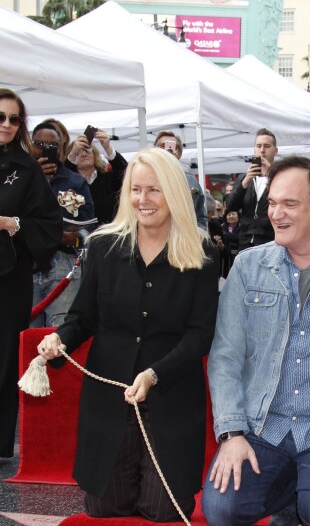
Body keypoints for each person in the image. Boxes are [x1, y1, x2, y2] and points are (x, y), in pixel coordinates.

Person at [38, 148, 219, 522]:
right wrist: (60, 340)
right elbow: (82, 318)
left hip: (170, 395)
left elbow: (200, 334)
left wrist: (155, 374)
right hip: (108, 398)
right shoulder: (103, 246)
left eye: (154, 190)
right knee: (106, 508)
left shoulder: (202, 253)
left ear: (174, 192)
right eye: (136, 190)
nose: (143, 200)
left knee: (163, 510)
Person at [202, 156, 310, 526]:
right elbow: (226, 357)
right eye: (272, 203)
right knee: (221, 509)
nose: (276, 214)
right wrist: (231, 433)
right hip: (264, 427)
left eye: (290, 204)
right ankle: (299, 488)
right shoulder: (248, 267)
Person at [0, 89, 62, 459]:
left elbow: (50, 224)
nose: (6, 124)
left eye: (13, 118)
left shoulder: (26, 169)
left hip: (9, 278)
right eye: (1, 116)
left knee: (5, 357)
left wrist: (13, 223)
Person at [30, 121, 96, 328]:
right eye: (40, 143)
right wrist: (35, 179)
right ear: (30, 145)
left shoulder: (75, 182)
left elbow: (90, 227)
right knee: (25, 335)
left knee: (59, 333)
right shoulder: (18, 177)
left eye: (53, 145)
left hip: (63, 263)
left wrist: (75, 238)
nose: (45, 149)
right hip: (26, 263)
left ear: (60, 149)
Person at [226, 128, 278, 250]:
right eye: (258, 146)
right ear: (254, 149)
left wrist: (271, 175)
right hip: (245, 240)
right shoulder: (244, 178)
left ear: (275, 151)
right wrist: (244, 183)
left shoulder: (279, 177)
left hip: (270, 240)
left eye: (267, 146)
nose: (262, 150)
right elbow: (230, 206)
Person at [66, 128, 128, 225]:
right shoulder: (69, 183)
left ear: (94, 153)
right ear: (72, 157)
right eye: (78, 152)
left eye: (87, 149)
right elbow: (60, 178)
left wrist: (108, 148)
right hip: (79, 238)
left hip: (110, 235)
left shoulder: (108, 178)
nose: (83, 154)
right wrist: (73, 153)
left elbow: (126, 173)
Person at [153, 130, 207, 230]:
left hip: (184, 239)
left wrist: (199, 237)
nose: (168, 149)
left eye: (173, 146)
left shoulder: (190, 181)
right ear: (155, 151)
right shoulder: (145, 178)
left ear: (179, 153)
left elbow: (200, 217)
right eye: (162, 146)